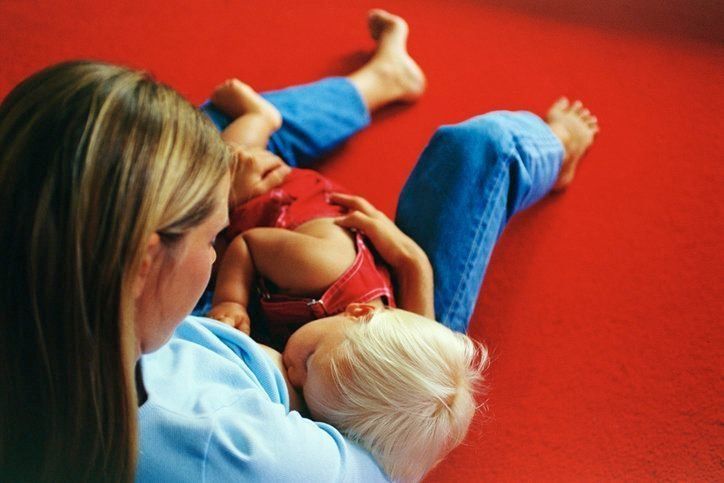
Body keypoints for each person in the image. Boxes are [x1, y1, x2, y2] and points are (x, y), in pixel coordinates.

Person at [0, 9, 598, 483]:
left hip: (288, 323)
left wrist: (216, 189)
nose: (223, 242)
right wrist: (413, 282)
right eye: (212, 236)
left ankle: (376, 83)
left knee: (208, 140)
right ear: (146, 261)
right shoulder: (237, 451)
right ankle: (553, 144)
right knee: (479, 149)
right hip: (379, 374)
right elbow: (398, 456)